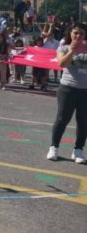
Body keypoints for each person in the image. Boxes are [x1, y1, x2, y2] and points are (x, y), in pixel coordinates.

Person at [46, 24, 87, 164]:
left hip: (85, 90)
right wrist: (72, 51)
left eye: (81, 33)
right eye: (76, 33)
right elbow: (62, 64)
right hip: (67, 89)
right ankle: (54, 147)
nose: (78, 36)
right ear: (70, 33)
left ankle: (78, 150)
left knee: (83, 121)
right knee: (62, 119)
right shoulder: (63, 47)